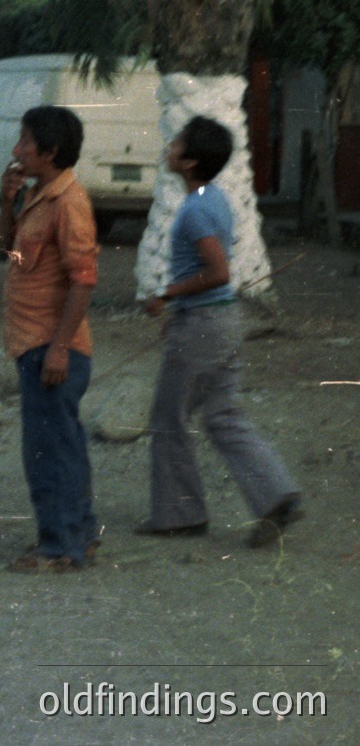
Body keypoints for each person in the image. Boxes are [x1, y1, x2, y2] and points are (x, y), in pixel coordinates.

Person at [138, 116, 303, 548]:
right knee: (221, 413)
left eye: (177, 143)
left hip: (202, 325)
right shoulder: (216, 198)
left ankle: (179, 515)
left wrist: (167, 294)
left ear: (189, 161)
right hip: (224, 323)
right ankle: (275, 495)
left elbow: (217, 272)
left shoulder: (194, 211)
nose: (170, 147)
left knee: (168, 418)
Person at [0, 105, 100, 573]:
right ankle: (79, 533)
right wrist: (7, 203)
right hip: (33, 342)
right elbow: (11, 254)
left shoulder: (70, 203)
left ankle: (59, 547)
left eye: (25, 141)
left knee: (46, 450)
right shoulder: (39, 196)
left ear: (51, 151)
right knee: (63, 442)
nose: (17, 150)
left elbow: (84, 279)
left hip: (51, 346)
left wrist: (58, 348)